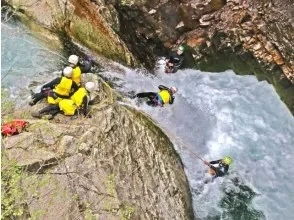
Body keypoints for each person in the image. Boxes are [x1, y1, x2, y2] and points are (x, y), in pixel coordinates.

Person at [31, 81, 96, 120]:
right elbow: (84, 109)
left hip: (67, 102)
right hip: (72, 108)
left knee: (55, 106)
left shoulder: (81, 89)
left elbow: (73, 96)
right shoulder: (86, 96)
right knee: (59, 110)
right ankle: (50, 115)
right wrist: (87, 116)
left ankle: (40, 112)